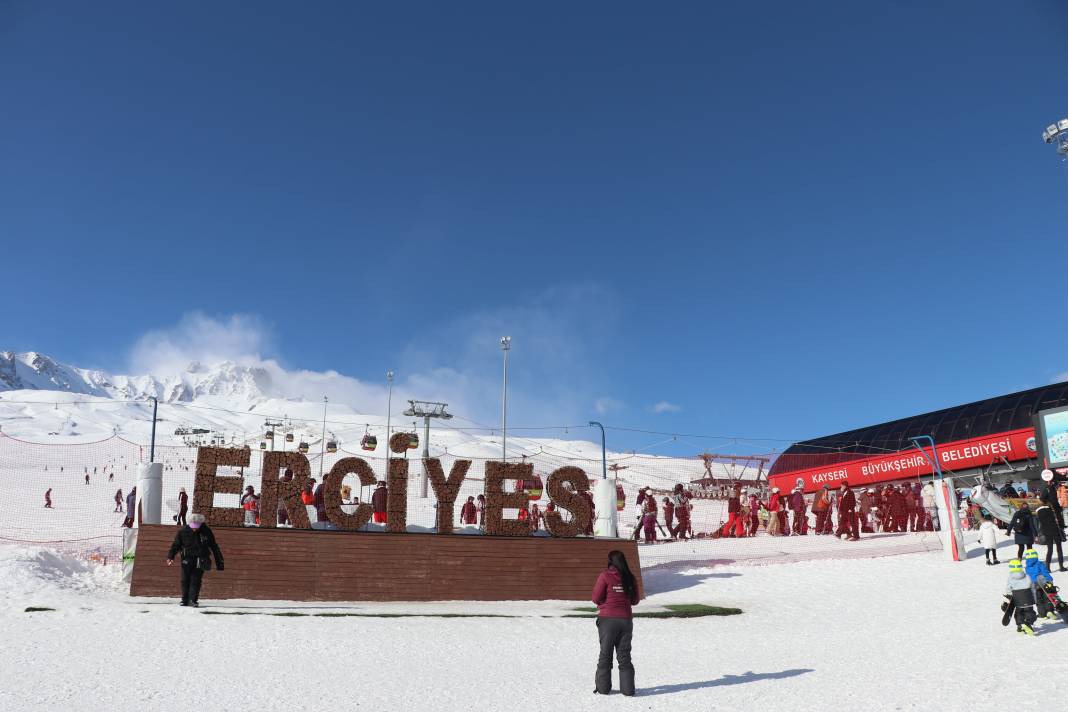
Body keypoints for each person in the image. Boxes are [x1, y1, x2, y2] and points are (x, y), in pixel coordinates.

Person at [591, 550, 639, 696]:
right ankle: (628, 690)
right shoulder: (630, 578)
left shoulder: (605, 576)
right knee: (624, 656)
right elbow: (635, 601)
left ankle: (603, 689)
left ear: (610, 561)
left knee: (605, 655)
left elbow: (595, 597)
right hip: (625, 620)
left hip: (608, 620)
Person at [166, 513, 224, 607]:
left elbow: (214, 546)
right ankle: (184, 600)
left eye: (197, 526)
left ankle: (193, 600)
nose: (194, 529)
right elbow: (176, 545)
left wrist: (219, 562)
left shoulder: (206, 531)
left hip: (200, 559)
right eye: (193, 526)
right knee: (184, 580)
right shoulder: (183, 531)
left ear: (201, 523)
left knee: (195, 580)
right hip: (186, 558)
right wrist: (170, 557)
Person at [1004, 559, 1038, 636]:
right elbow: (1033, 588)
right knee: (1029, 612)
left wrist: (1009, 595)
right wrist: (1034, 599)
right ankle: (1028, 623)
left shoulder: (1010, 577)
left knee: (1019, 612)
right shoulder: (1027, 576)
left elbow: (1008, 589)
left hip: (1017, 599)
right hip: (1028, 598)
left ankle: (1020, 626)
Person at [1021, 548, 1058, 621]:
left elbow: (1028, 577)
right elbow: (1045, 572)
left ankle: (1042, 614)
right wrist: (1050, 579)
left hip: (1034, 585)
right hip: (1043, 583)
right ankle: (1050, 611)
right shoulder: (1040, 564)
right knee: (1047, 597)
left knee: (1038, 600)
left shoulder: (1027, 567)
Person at [1033, 505, 1066, 571]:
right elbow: (1058, 520)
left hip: (1047, 532)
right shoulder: (1051, 511)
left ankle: (1048, 568)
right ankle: (1061, 566)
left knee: (1050, 550)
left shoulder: (1039, 513)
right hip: (1055, 531)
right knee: (1059, 549)